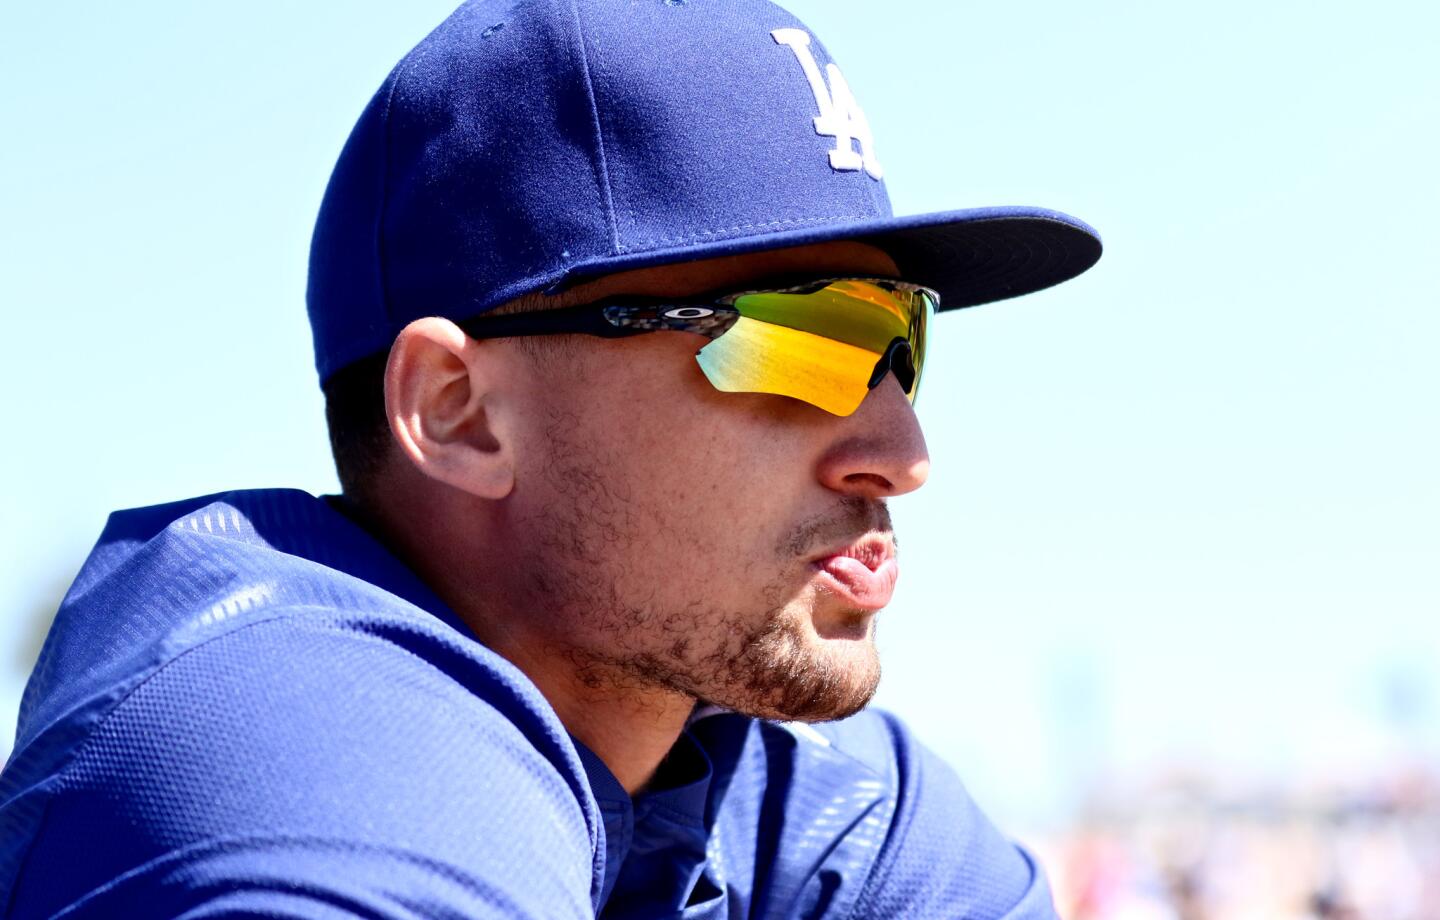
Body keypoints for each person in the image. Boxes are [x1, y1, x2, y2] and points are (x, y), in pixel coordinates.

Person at [0, 0, 1100, 915]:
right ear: (461, 411)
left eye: (899, 342)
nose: (902, 452)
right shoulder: (289, 754)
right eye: (803, 340)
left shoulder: (823, 800)